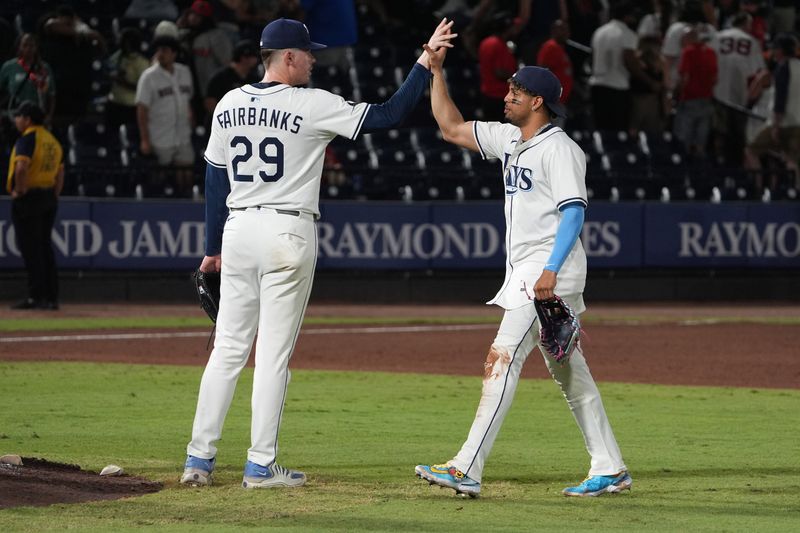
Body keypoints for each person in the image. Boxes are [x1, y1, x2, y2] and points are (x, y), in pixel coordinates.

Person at [180, 17, 457, 489]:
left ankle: (198, 461)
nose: (314, 59)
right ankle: (260, 465)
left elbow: (213, 178)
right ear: (287, 57)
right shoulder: (311, 104)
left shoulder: (228, 103)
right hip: (287, 231)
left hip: (238, 229)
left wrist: (211, 249)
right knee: (271, 356)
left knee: (227, 348)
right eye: (308, 53)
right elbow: (388, 115)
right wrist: (425, 61)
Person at [414, 36, 630, 498]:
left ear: (538, 101)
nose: (506, 96)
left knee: (503, 356)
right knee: (570, 372)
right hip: (532, 271)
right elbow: (451, 127)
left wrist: (550, 271)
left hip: (550, 270)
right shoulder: (510, 138)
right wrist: (435, 71)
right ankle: (610, 467)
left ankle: (466, 465)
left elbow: (574, 211)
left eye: (515, 91)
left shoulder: (561, 149)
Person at [6, 102, 63, 310]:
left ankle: (36, 296)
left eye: (19, 116)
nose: (16, 120)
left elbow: (21, 167)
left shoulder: (28, 139)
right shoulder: (52, 140)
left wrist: (20, 191)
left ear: (28, 119)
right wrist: (54, 194)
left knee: (31, 249)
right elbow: (61, 171)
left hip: (29, 198)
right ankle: (51, 297)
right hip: (48, 197)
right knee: (45, 247)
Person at [135, 35, 195, 195]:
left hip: (182, 135)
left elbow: (188, 101)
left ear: (174, 53)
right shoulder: (149, 76)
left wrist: (191, 124)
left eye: (165, 50)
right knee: (157, 178)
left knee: (186, 175)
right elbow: (142, 109)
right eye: (159, 50)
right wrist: (145, 140)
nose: (161, 54)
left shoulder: (184, 72)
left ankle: (186, 207)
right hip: (160, 135)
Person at [745, 34, 800, 192]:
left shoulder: (783, 67)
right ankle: (794, 192)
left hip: (785, 122)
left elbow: (780, 98)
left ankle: (758, 188)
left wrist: (776, 124)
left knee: (751, 150)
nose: (773, 52)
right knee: (793, 158)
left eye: (775, 49)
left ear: (781, 51)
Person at [710, 12, 765, 167]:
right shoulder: (750, 40)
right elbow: (759, 71)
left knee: (718, 131)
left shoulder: (717, 36)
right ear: (746, 24)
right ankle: (734, 166)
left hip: (716, 90)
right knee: (737, 135)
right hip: (740, 93)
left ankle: (717, 163)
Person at [587, 2, 642, 130]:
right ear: (627, 16)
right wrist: (649, 81)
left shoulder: (599, 31)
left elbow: (592, 57)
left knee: (600, 128)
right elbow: (629, 61)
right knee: (617, 130)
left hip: (597, 85)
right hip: (617, 87)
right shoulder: (627, 34)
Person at [673, 26, 717, 158]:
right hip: (706, 100)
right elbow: (715, 79)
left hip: (689, 100)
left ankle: (684, 171)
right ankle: (700, 172)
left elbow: (684, 78)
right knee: (700, 142)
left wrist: (676, 95)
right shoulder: (711, 52)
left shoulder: (688, 52)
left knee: (684, 139)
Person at [0, 34, 56, 130]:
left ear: (36, 47)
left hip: (37, 117)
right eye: (25, 45)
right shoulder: (9, 67)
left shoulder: (44, 68)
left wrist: (49, 116)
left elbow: (52, 95)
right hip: (16, 117)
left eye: (31, 45)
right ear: (19, 47)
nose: (28, 48)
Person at [204, 40, 261, 122]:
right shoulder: (220, 78)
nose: (256, 59)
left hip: (246, 124)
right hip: (223, 124)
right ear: (244, 58)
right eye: (254, 56)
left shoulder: (254, 78)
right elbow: (210, 103)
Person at [106, 28, 151, 130]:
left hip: (131, 106)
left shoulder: (142, 62)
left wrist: (122, 81)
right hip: (115, 103)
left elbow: (142, 88)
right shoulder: (118, 56)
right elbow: (108, 68)